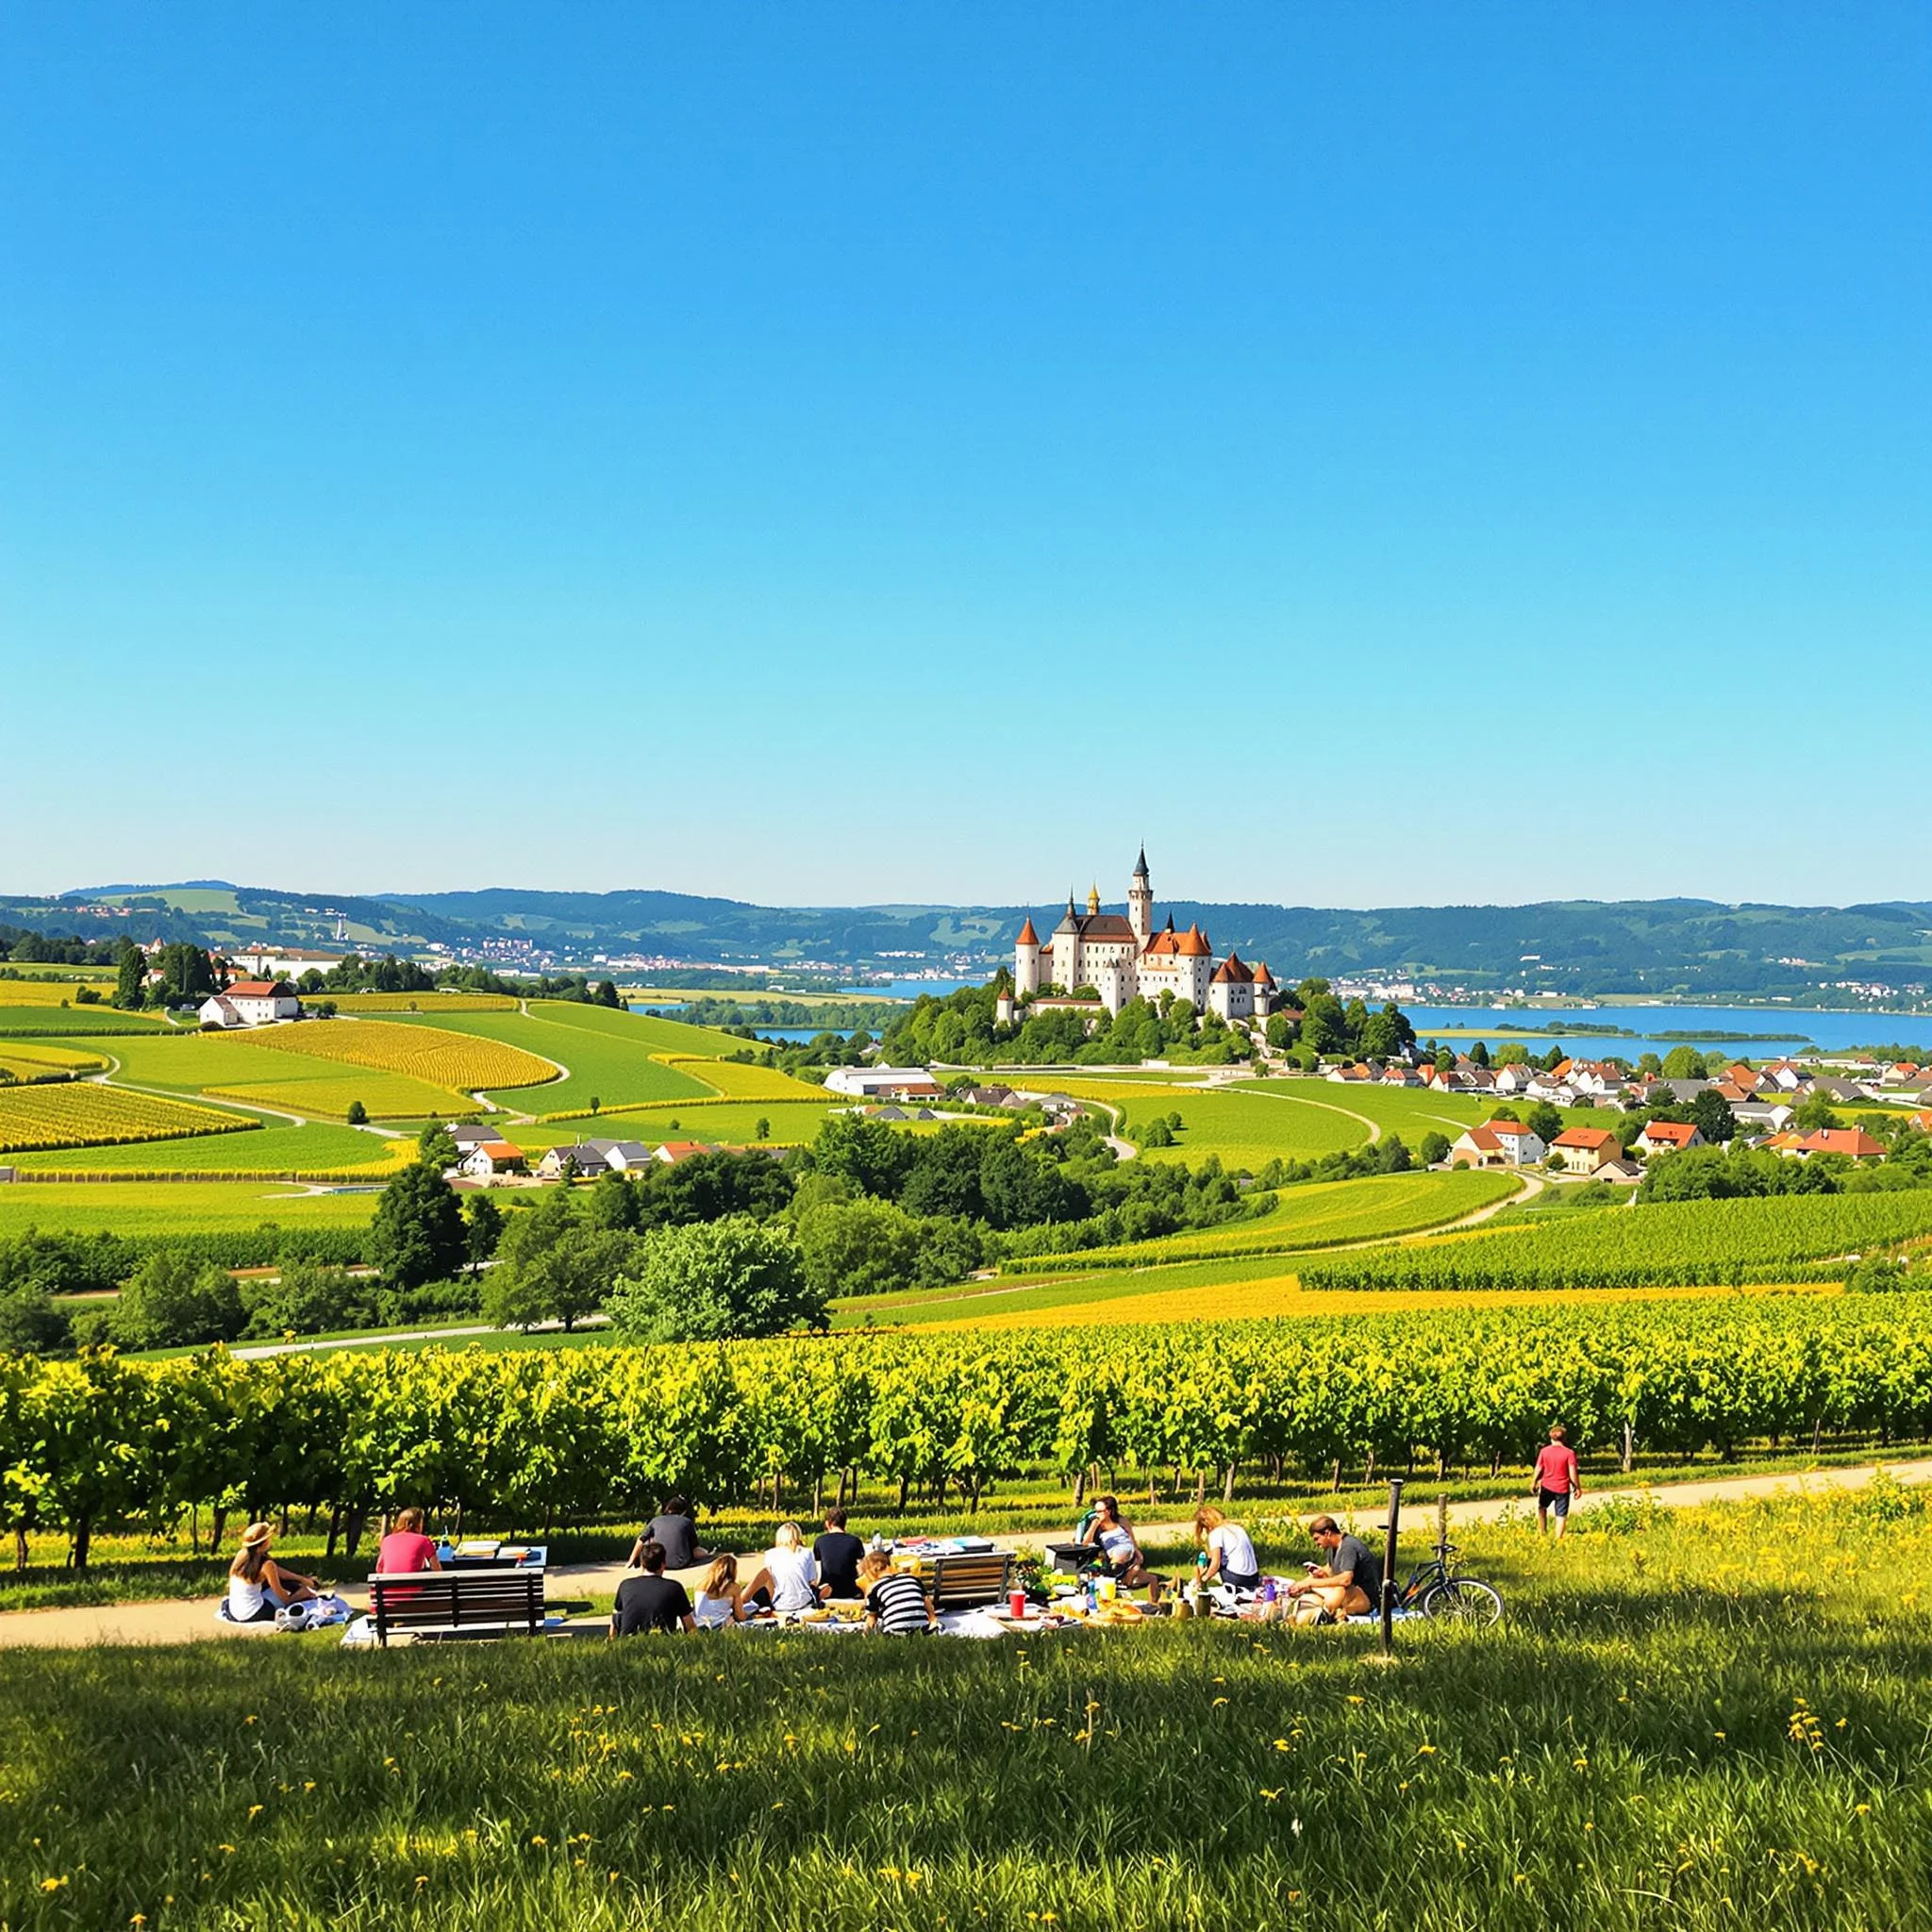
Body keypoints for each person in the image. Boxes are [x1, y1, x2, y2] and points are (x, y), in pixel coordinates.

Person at [1286, 1515, 1382, 1626]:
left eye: (1317, 1538)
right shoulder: (1333, 1548)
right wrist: (1318, 1574)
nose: (1316, 1544)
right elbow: (1331, 1568)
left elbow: (1346, 1579)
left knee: (1337, 1591)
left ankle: (1328, 1614)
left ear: (1327, 1533)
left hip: (1366, 1597)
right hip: (1349, 1592)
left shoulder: (1348, 1547)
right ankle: (1309, 1609)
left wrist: (1310, 1583)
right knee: (1314, 1584)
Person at [226, 1522, 319, 1624]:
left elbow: (280, 1572)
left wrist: (303, 1579)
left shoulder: (241, 1557)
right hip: (254, 1613)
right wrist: (303, 1594)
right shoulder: (267, 1565)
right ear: (264, 1542)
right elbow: (285, 1599)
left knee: (282, 1585)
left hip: (234, 1613)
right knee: (291, 1594)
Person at [610, 1540, 695, 1637]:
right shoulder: (674, 1588)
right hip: (663, 1642)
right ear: (663, 1565)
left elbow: (615, 1621)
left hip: (628, 1643)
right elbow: (690, 1627)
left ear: (642, 1564)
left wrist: (612, 1641)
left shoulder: (625, 1586)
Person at [1086, 1495, 1163, 1603]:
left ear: (1108, 1511)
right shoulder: (1097, 1526)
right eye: (1095, 1511)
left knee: (1153, 1579)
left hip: (1131, 1559)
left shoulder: (1122, 1521)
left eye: (1099, 1511)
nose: (1096, 1514)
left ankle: (1154, 1607)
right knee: (1118, 1569)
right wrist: (1093, 1526)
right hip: (1116, 1565)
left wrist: (1138, 1555)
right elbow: (1085, 1543)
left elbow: (1131, 1539)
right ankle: (1126, 1578)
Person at [741, 1522, 820, 1615]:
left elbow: (770, 1581)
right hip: (804, 1601)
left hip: (780, 1604)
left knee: (765, 1575)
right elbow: (813, 1582)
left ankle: (742, 1600)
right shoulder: (807, 1553)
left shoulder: (770, 1554)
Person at [860, 1549, 935, 1635]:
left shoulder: (875, 1588)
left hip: (896, 1631)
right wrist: (933, 1620)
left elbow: (871, 1620)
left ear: (871, 1571)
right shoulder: (912, 1578)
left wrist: (864, 1635)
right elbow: (927, 1600)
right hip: (922, 1628)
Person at [1194, 1505, 1260, 1592]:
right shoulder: (1238, 1528)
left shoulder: (1216, 1533)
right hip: (1254, 1578)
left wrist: (1203, 1580)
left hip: (1238, 1579)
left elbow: (1216, 1564)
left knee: (1213, 1562)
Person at [1533, 1424, 1582, 1540]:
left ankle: (1543, 1531)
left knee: (1542, 1507)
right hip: (1562, 1488)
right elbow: (1572, 1473)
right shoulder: (1569, 1453)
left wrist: (1534, 1482)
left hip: (1546, 1486)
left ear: (1551, 1438)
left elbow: (1538, 1468)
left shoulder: (1544, 1451)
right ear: (1564, 1438)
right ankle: (1558, 1538)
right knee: (1561, 1514)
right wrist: (1577, 1487)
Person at [632, 1494, 708, 1572]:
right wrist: (707, 1553)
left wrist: (630, 1561)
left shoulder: (655, 1520)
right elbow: (695, 1550)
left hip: (657, 1562)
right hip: (680, 1563)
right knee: (703, 1552)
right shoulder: (687, 1522)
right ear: (684, 1511)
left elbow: (641, 1540)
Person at [813, 1507, 866, 1601]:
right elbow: (861, 1571)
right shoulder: (855, 1541)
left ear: (827, 1524)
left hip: (828, 1592)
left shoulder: (820, 1541)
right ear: (844, 1523)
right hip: (850, 1591)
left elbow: (818, 1572)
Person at [375, 1507, 442, 1575]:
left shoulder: (387, 1540)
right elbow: (437, 1569)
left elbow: (379, 1568)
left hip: (388, 1584)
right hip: (413, 1585)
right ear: (417, 1525)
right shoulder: (424, 1540)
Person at [691, 1554, 747, 1628]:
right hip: (718, 1624)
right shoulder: (733, 1587)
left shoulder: (699, 1583)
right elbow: (740, 1616)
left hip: (698, 1623)